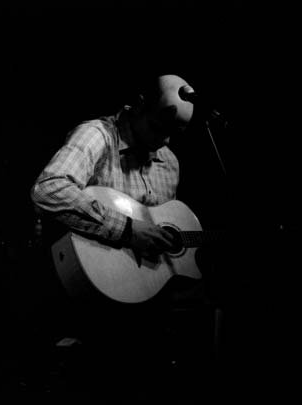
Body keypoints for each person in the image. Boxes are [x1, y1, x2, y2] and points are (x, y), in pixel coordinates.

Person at [30, 74, 216, 395]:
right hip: (79, 308)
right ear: (139, 105)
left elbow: (158, 232)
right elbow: (48, 189)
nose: (164, 141)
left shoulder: (169, 163)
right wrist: (126, 230)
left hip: (141, 313)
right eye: (157, 128)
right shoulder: (97, 136)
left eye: (173, 134)